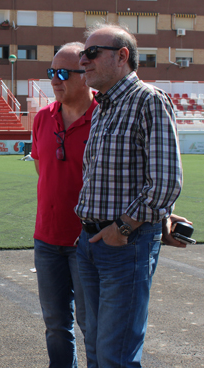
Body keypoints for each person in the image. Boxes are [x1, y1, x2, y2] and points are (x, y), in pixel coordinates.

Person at [75, 23, 188, 368]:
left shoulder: (148, 100)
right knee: (96, 350)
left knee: (116, 355)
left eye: (92, 53)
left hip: (125, 242)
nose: (83, 61)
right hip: (92, 241)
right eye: (83, 54)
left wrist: (123, 227)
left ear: (122, 56)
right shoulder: (104, 106)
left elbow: (165, 182)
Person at [31, 42, 96, 368]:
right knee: (55, 325)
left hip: (88, 240)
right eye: (51, 72)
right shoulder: (43, 117)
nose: (54, 80)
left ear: (85, 76)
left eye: (62, 73)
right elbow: (41, 167)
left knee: (92, 325)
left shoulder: (104, 118)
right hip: (46, 238)